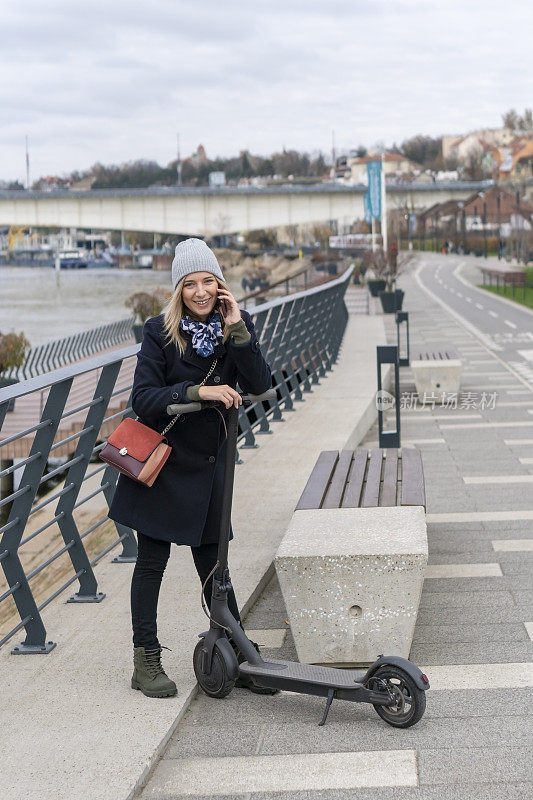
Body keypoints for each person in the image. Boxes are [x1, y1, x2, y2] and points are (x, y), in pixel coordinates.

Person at [108, 238, 275, 698]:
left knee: (213, 566)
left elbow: (260, 383)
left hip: (208, 464)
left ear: (220, 285)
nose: (200, 292)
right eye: (190, 283)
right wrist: (200, 393)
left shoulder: (235, 326)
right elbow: (143, 399)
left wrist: (238, 329)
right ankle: (146, 661)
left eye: (208, 282)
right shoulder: (158, 332)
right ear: (178, 288)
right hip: (163, 463)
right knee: (151, 562)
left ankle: (239, 652)